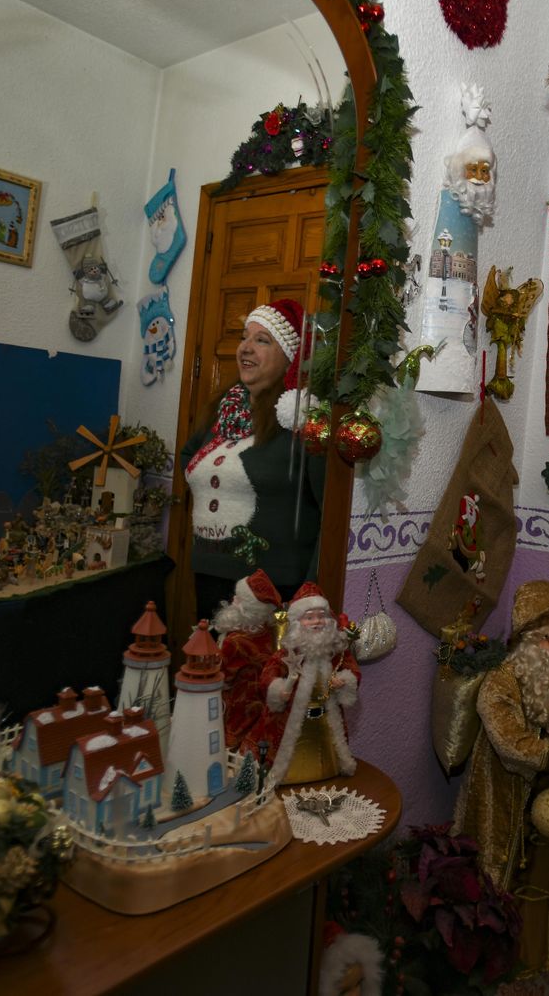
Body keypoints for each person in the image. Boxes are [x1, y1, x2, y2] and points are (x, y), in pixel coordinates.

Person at [452, 579, 549, 987]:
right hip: (512, 800)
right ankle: (507, 963)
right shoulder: (503, 681)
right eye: (546, 637)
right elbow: (508, 739)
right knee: (507, 884)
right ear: (526, 642)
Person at [180, 298, 324, 616]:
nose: (245, 347)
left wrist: (311, 587)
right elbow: (189, 455)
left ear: (289, 358)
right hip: (210, 575)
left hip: (274, 586)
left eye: (261, 340)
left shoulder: (300, 417)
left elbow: (329, 508)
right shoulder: (226, 406)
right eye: (245, 337)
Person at [262, 582, 359, 784]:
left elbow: (352, 670)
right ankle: (286, 776)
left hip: (325, 722)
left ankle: (331, 768)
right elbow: (268, 674)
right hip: (294, 722)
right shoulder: (288, 654)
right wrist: (279, 689)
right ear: (298, 622)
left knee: (330, 753)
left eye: (321, 616)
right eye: (309, 617)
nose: (317, 622)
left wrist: (345, 681)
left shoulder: (335, 653)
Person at [212, 568, 284, 754]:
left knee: (228, 744)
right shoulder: (269, 632)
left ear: (248, 610)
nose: (233, 601)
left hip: (238, 705)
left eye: (238, 599)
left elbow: (221, 677)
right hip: (262, 703)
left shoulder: (234, 642)